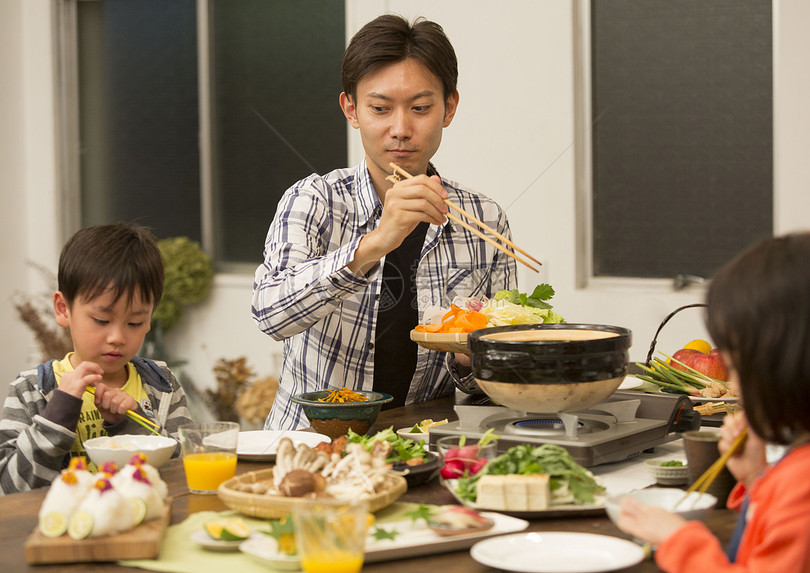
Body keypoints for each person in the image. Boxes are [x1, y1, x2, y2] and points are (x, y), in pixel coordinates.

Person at [252, 14, 518, 430]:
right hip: (314, 445)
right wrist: (377, 241)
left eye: (420, 108)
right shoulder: (315, 199)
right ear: (351, 109)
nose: (400, 129)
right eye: (379, 108)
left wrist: (474, 362)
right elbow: (270, 315)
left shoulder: (484, 218)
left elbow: (495, 381)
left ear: (449, 108)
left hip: (423, 447)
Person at [617, 232, 810, 571]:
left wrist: (679, 540)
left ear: (785, 367)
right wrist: (759, 478)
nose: (733, 384)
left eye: (734, 367)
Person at [0, 223, 193, 494]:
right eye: (101, 320)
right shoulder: (31, 391)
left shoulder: (161, 385)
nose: (117, 337)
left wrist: (131, 423)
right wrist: (58, 413)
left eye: (135, 322)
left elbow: (185, 474)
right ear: (63, 309)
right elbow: (11, 489)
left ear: (150, 318)